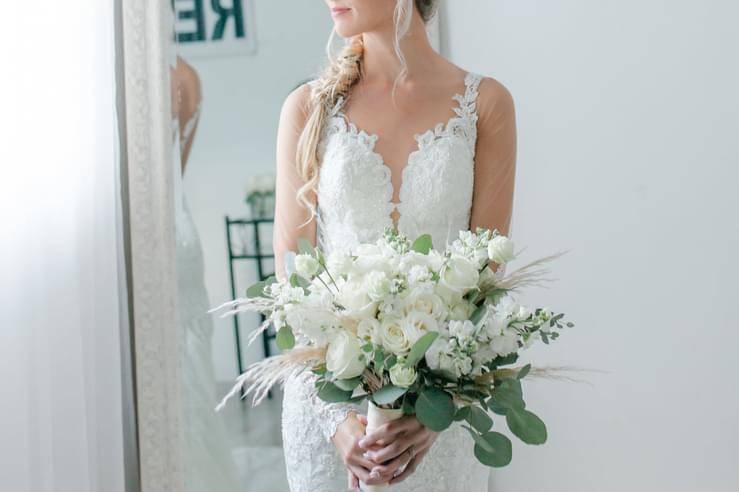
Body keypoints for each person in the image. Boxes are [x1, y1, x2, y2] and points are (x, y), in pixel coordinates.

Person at [273, 1, 516, 490]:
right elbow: (290, 282)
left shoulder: (485, 104)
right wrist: (337, 421)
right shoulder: (307, 107)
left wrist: (437, 412)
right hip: (329, 420)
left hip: (436, 426)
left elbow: (488, 280)